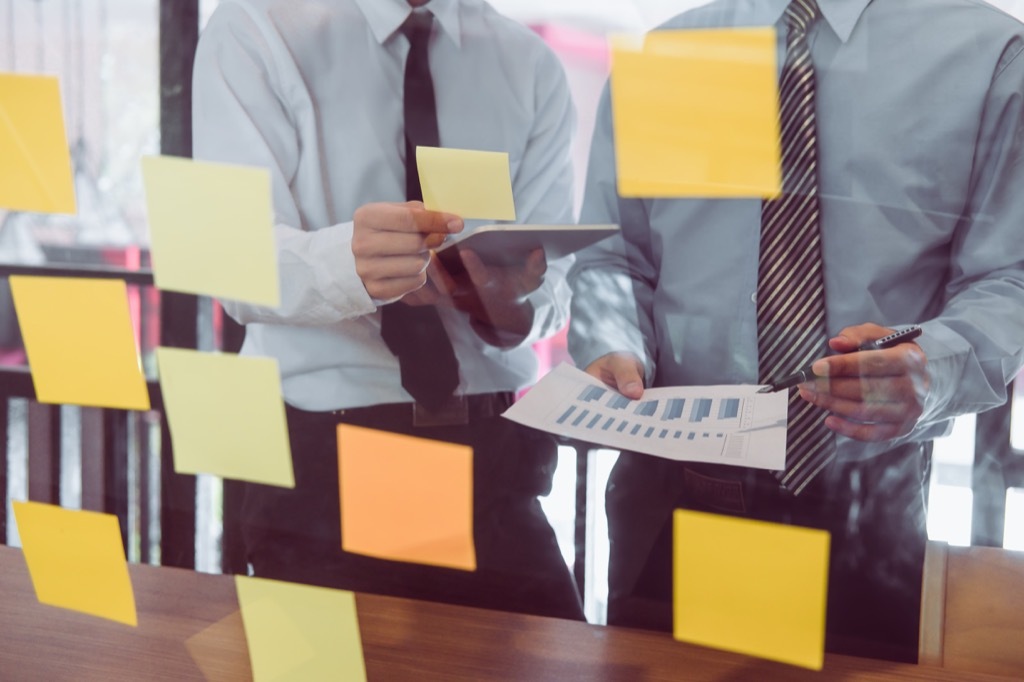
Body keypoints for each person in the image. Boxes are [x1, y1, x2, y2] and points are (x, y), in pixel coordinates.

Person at [568, 0, 1024, 661]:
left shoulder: (989, 56)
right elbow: (615, 258)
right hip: (674, 490)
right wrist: (612, 342)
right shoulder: (671, 53)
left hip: (867, 501)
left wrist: (934, 366)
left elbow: (1010, 275)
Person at [191, 0, 584, 620]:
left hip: (494, 456)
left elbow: (555, 278)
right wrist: (352, 266)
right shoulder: (257, 29)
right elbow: (227, 258)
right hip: (328, 464)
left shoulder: (528, 63)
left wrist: (515, 309)